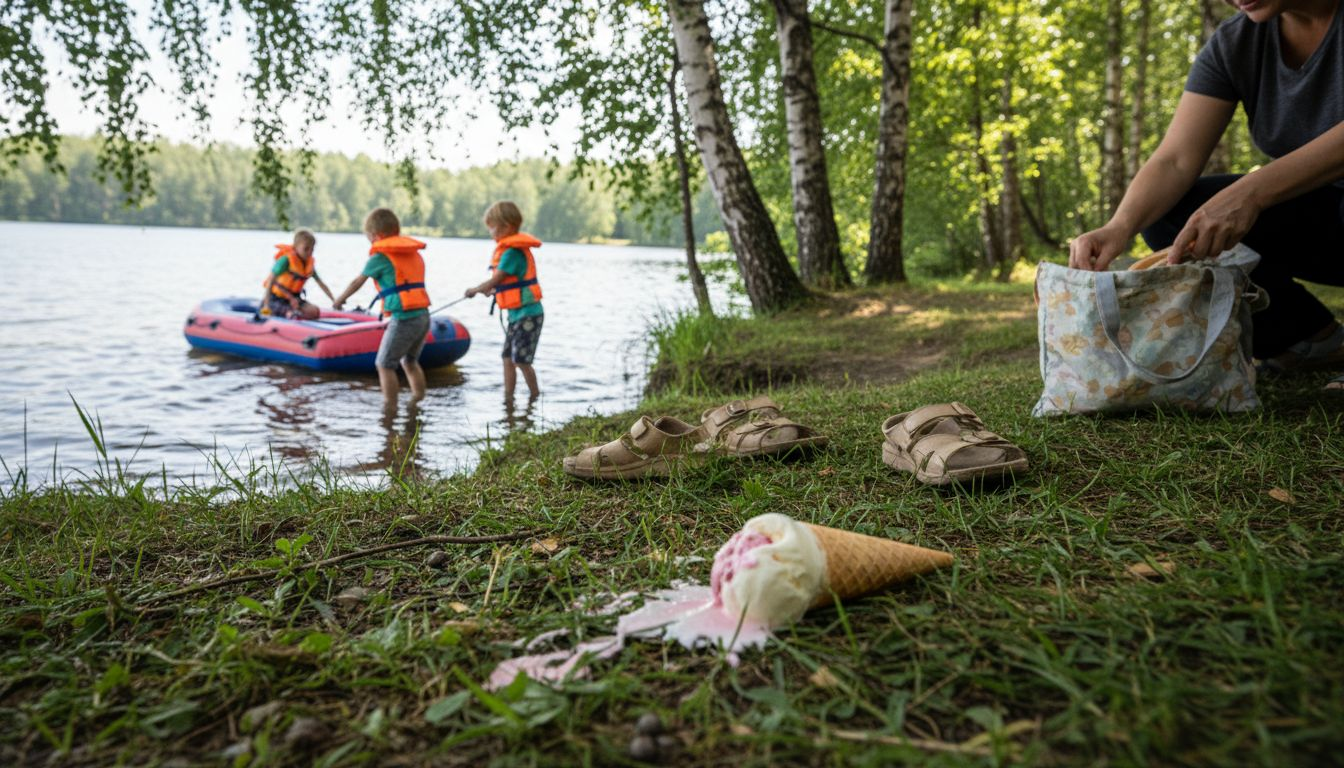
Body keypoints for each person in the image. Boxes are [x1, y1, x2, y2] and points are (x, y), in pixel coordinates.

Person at [1069, 0, 1344, 390]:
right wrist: (1119, 226)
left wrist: (1251, 192)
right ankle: (1309, 340)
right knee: (1176, 215)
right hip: (1326, 222)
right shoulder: (1236, 43)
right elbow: (1176, 160)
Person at [332, 208, 431, 410]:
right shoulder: (411, 253)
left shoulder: (380, 257)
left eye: (369, 238)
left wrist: (339, 300)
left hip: (404, 319)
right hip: (423, 315)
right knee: (410, 361)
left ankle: (389, 410)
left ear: (377, 236)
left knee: (384, 364)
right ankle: (418, 402)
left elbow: (357, 282)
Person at [465, 201, 544, 403]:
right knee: (507, 358)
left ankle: (535, 397)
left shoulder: (511, 253)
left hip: (528, 314)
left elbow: (496, 279)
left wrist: (475, 289)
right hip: (517, 314)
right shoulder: (510, 251)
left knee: (521, 361)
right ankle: (508, 400)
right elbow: (505, 283)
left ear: (506, 227)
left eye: (491, 226)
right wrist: (493, 290)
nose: (490, 231)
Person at [260, 230, 335, 320]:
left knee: (315, 311)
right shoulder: (285, 261)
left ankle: (301, 321)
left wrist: (334, 301)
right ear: (296, 247)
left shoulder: (308, 264)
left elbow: (321, 284)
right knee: (292, 315)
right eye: (306, 249)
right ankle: (290, 319)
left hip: (294, 299)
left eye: (312, 249)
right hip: (276, 299)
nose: (309, 252)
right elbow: (270, 281)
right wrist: (266, 305)